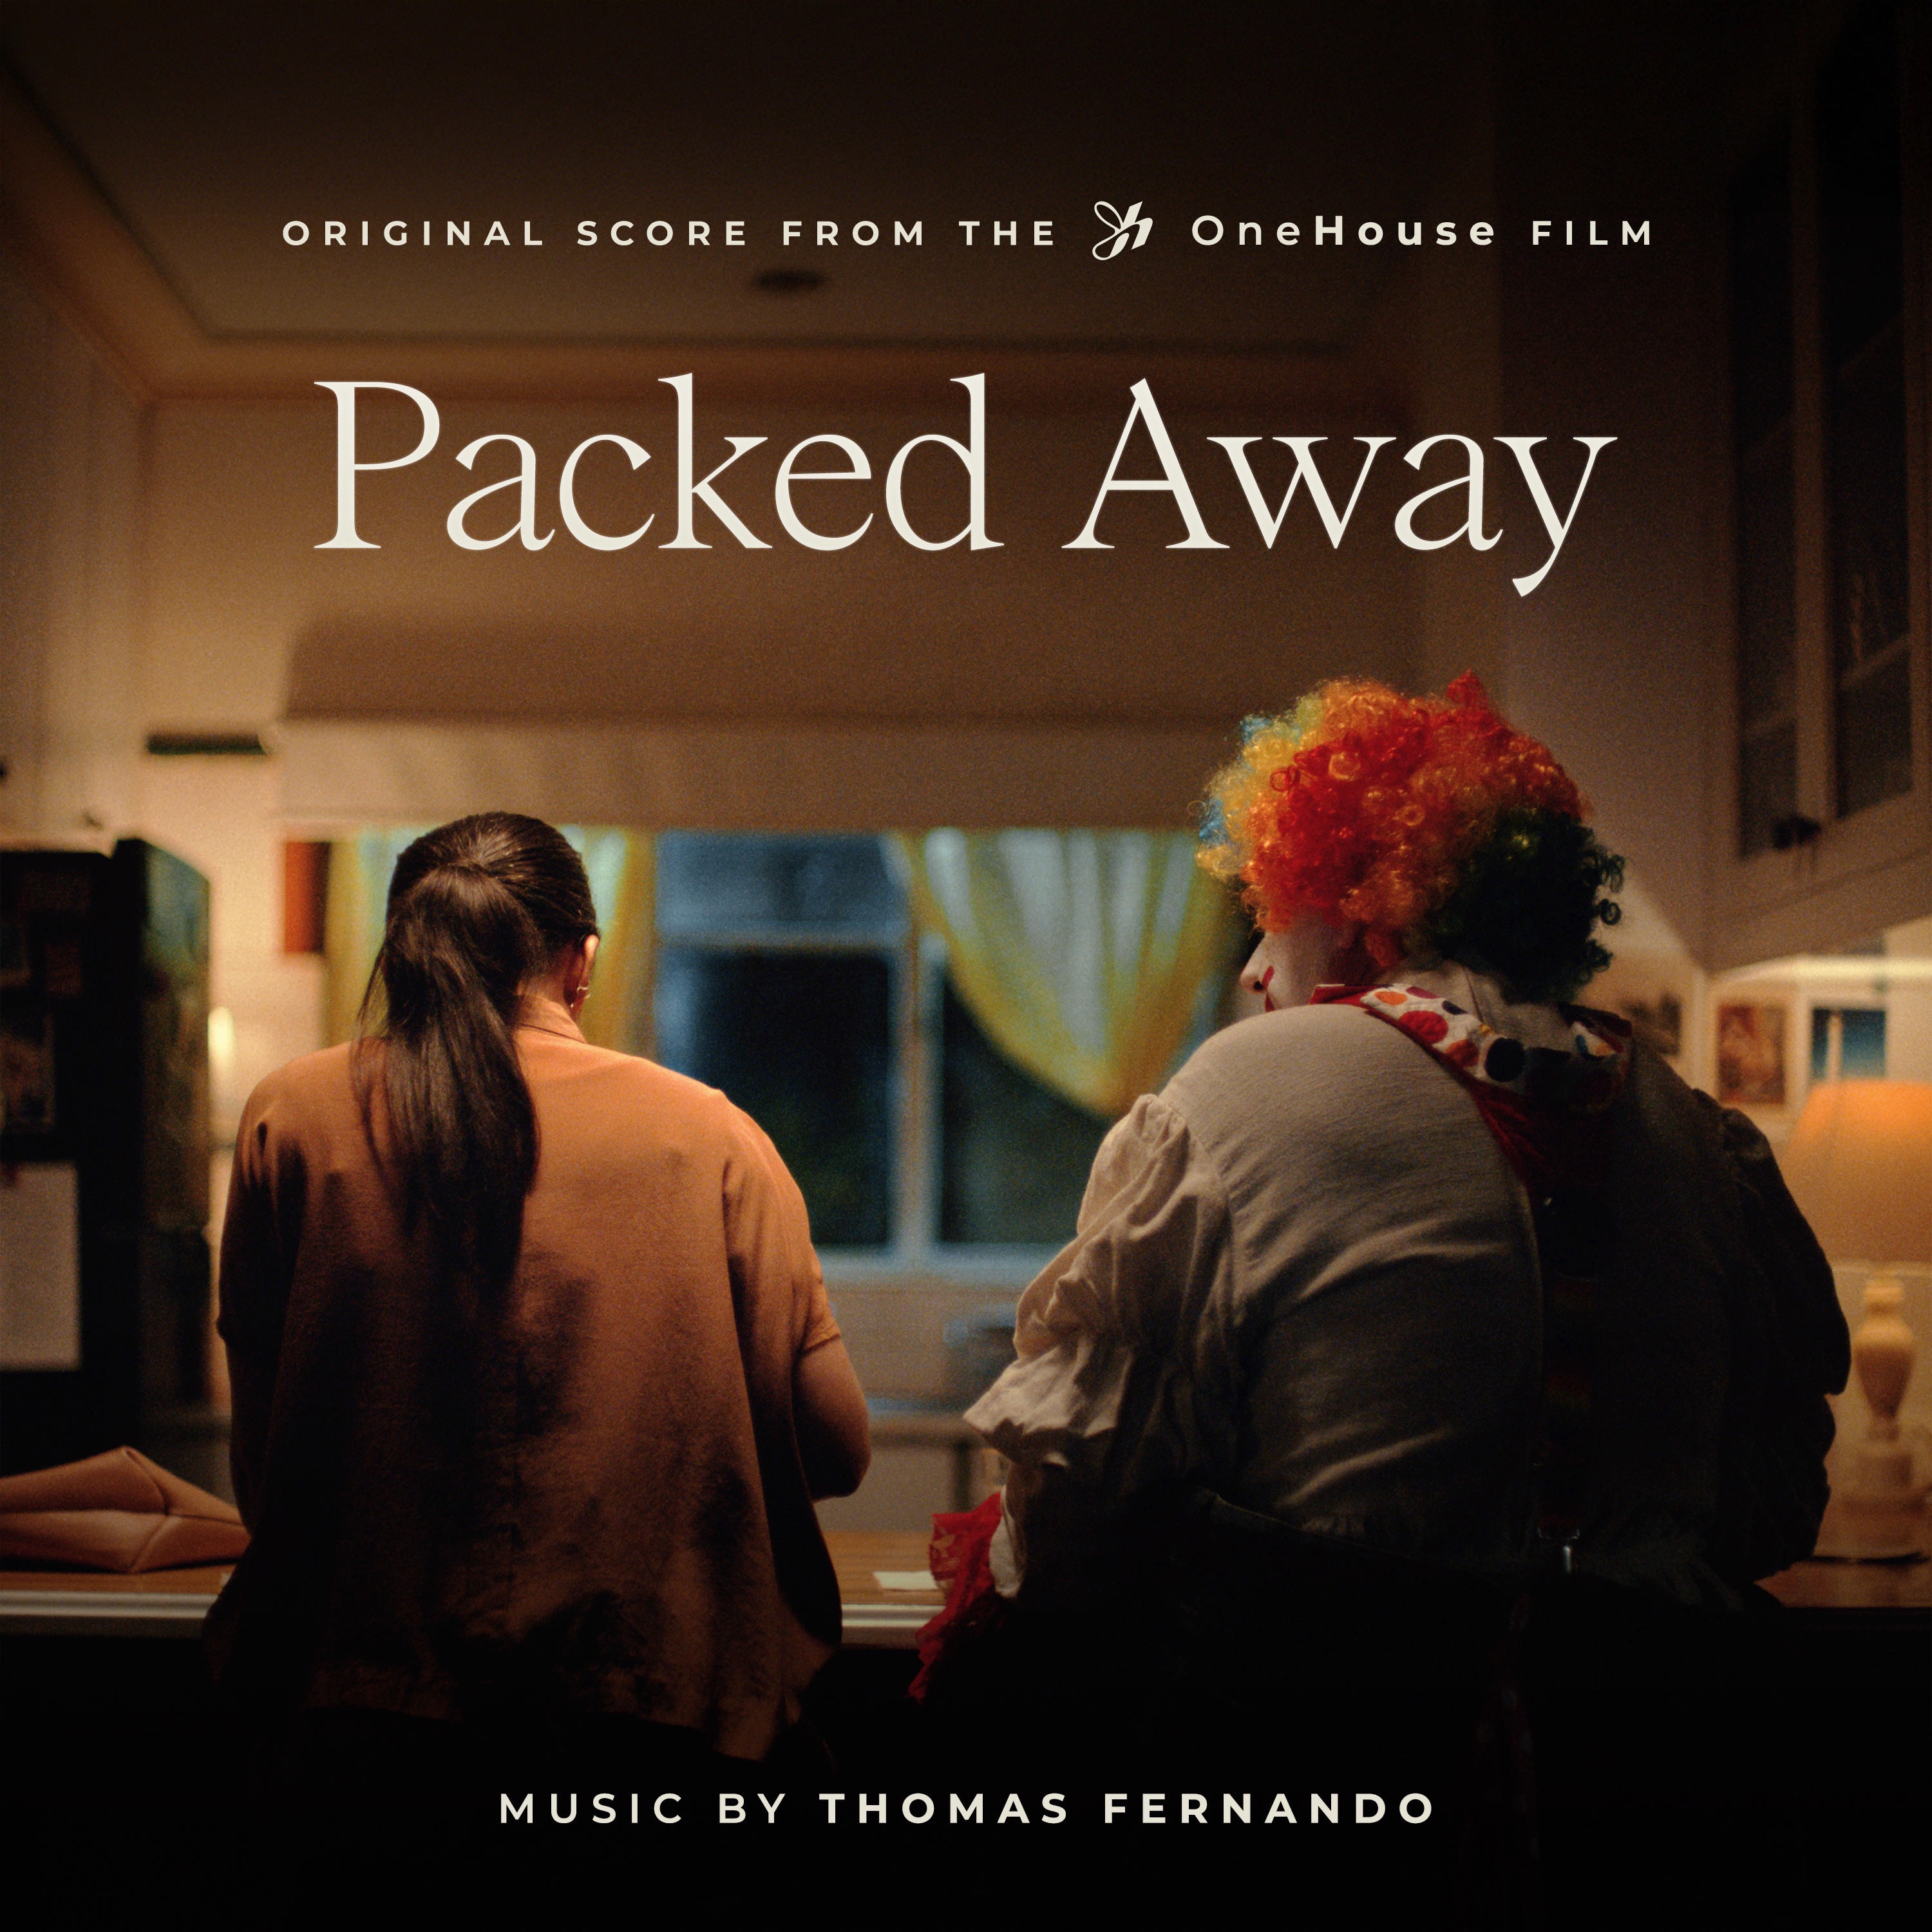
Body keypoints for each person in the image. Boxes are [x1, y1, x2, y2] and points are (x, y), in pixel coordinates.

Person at [926, 674, 1848, 1802]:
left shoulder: (1241, 1091)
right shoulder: (1695, 1130)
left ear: (1367, 904)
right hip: (1659, 1780)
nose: (1254, 966)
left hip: (1330, 1772)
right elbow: (1772, 1505)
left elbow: (1076, 1530)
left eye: (1274, 912)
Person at [207, 813, 869, 1788]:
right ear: (582, 960)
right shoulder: (710, 1137)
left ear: (406, 948)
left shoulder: (291, 1117)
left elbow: (267, 1456)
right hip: (640, 1712)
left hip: (356, 1716)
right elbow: (836, 1449)